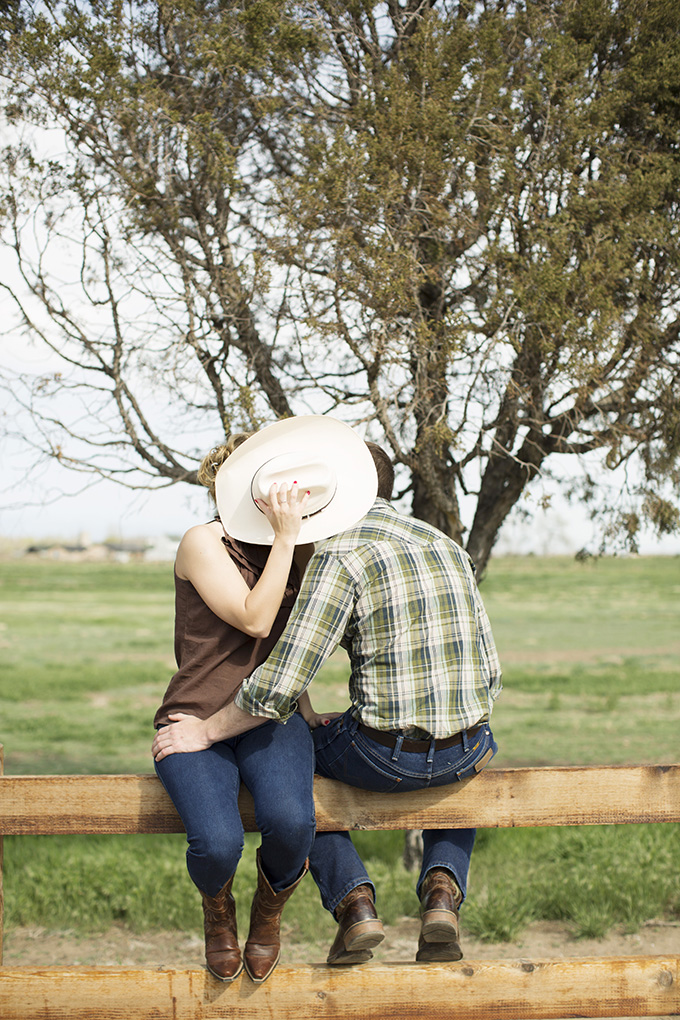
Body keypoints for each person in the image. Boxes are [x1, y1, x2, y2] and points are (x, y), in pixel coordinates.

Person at [153, 422, 501, 965]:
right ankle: (442, 890)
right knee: (462, 756)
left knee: (303, 784)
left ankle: (353, 901)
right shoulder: (445, 544)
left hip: (357, 745)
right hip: (468, 744)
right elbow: (490, 670)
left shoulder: (332, 555)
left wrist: (278, 717)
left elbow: (288, 667)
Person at [151, 417, 378, 983]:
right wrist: (283, 537)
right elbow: (256, 617)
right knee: (218, 841)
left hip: (266, 714)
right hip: (198, 716)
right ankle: (218, 909)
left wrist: (303, 705)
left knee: (290, 823)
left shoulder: (294, 551)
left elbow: (289, 647)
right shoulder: (202, 542)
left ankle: (268, 911)